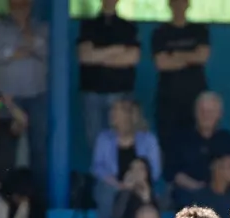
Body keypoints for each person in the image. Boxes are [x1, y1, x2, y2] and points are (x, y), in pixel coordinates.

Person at [0, 0, 48, 176]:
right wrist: (27, 50)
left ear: (30, 6)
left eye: (23, 5)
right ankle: (7, 192)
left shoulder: (42, 27)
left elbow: (46, 51)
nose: (19, 10)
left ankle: (37, 195)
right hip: (9, 98)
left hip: (38, 95)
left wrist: (25, 31)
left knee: (39, 147)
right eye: (15, 6)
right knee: (6, 147)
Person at [76, 0, 140, 150]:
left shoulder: (128, 26)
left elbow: (132, 58)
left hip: (121, 94)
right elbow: (85, 56)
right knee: (95, 143)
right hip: (93, 94)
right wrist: (116, 50)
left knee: (122, 141)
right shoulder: (88, 25)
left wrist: (98, 55)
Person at [151, 0, 211, 152]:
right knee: (169, 146)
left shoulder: (199, 30)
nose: (179, 5)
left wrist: (176, 55)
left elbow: (202, 56)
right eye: (175, 2)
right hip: (168, 101)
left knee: (196, 145)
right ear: (169, 4)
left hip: (195, 99)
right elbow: (162, 63)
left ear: (188, 4)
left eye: (182, 2)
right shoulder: (160, 33)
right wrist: (190, 57)